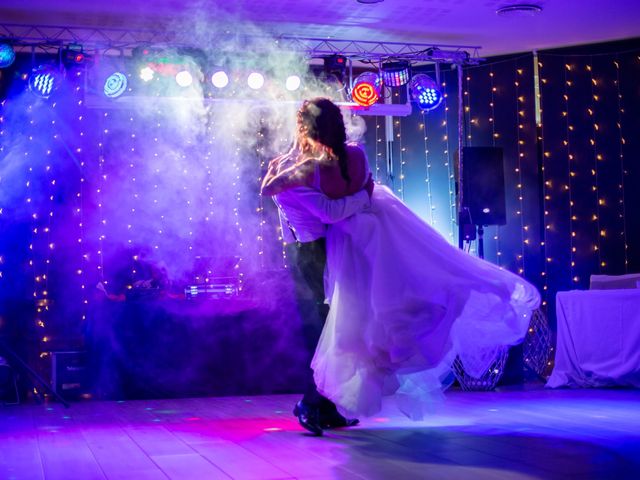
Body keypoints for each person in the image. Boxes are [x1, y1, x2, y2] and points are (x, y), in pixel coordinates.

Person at [262, 98, 541, 421]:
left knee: (334, 329)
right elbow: (351, 197)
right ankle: (327, 404)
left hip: (323, 250)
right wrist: (364, 193)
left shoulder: (308, 169)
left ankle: (315, 404)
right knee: (356, 326)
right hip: (364, 242)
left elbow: (323, 209)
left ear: (305, 129)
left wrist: (283, 171)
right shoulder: (352, 155)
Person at [261, 138, 374, 436]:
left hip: (308, 251)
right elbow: (328, 212)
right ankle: (310, 404)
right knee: (327, 333)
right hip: (314, 255)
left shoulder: (285, 169)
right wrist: (364, 195)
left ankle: (325, 407)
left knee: (329, 332)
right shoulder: (294, 177)